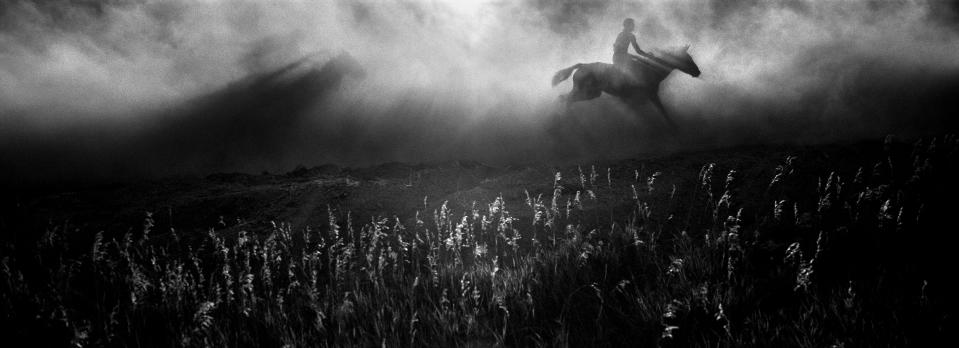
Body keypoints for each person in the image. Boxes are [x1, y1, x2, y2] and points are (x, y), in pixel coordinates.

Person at [612, 18, 649, 85]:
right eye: (632, 25)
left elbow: (616, 48)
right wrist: (648, 55)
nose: (634, 27)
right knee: (639, 69)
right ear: (628, 25)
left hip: (615, 57)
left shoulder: (620, 34)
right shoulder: (631, 36)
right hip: (622, 59)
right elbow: (638, 51)